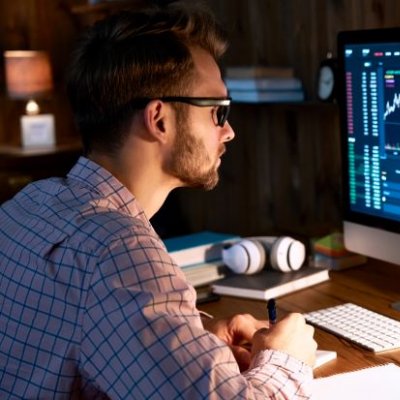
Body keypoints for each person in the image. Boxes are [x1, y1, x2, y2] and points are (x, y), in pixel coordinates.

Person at [0, 2, 317, 398]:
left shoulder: (29, 203)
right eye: (218, 112)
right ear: (160, 119)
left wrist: (192, 344)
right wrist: (287, 358)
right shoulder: (118, 253)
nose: (229, 131)